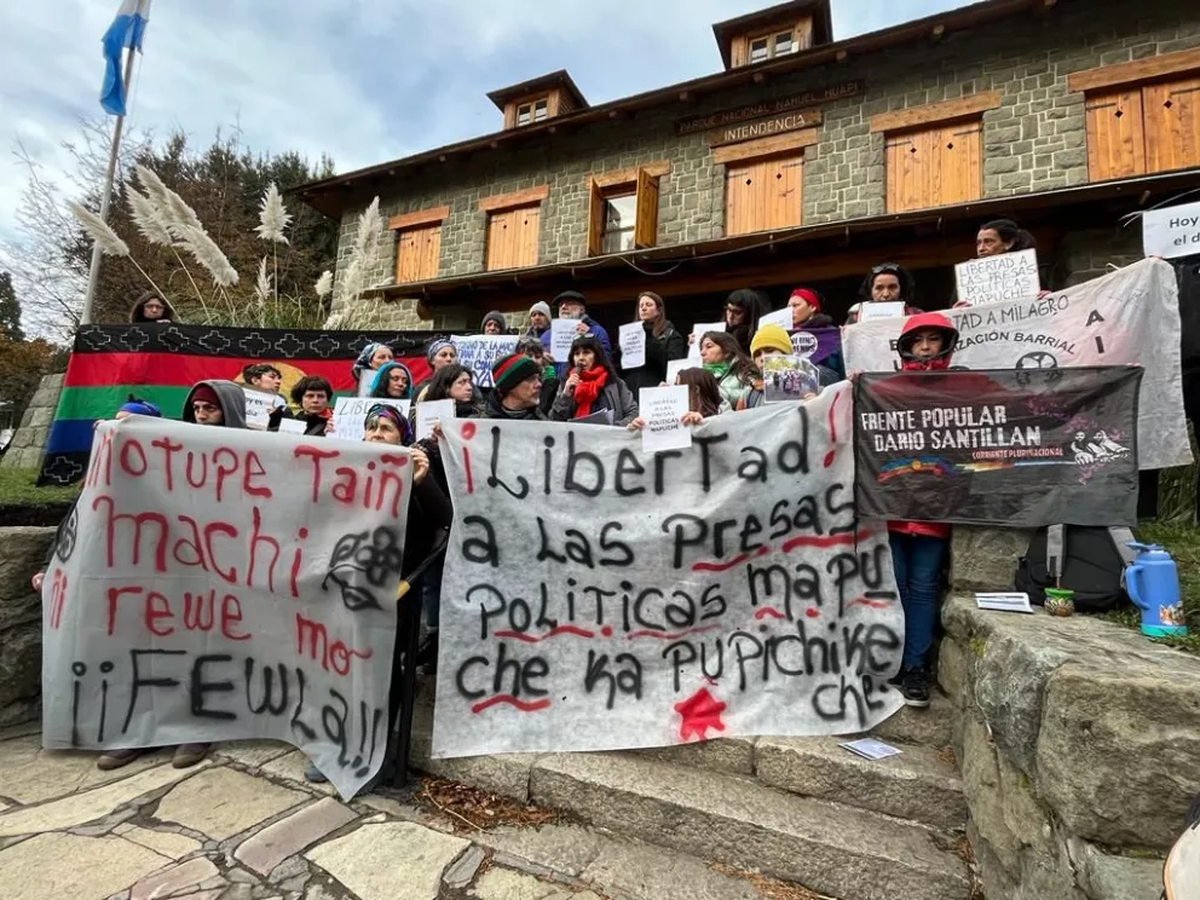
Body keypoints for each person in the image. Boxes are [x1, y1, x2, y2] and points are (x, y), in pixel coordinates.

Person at [306, 404, 446, 785]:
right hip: (345, 588)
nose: (377, 434)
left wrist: (421, 481)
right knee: (341, 667)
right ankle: (338, 744)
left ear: (402, 436)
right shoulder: (346, 469)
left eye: (386, 428)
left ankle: (375, 751)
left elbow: (442, 521)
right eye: (371, 428)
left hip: (393, 592)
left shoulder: (416, 473)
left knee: (382, 671)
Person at [882, 311, 960, 709]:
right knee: (892, 585)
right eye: (918, 341)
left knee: (924, 587)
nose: (926, 348)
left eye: (933, 339)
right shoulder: (886, 387)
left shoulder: (962, 388)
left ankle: (915, 667)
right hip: (891, 507)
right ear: (907, 347)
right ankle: (889, 662)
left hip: (934, 510)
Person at [551, 335, 638, 427]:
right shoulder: (567, 383)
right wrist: (565, 397)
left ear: (597, 356)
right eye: (576, 354)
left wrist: (615, 428)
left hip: (609, 438)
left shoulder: (614, 382)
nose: (581, 358)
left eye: (586, 352)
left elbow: (633, 412)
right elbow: (554, 420)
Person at [739, 323, 830, 409]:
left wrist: (818, 407)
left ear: (786, 355)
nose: (763, 357)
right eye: (757, 354)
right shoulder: (748, 395)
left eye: (769, 350)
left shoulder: (813, 390)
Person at [620, 291, 687, 394]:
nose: (643, 308)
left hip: (657, 390)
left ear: (659, 310)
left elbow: (672, 365)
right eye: (641, 306)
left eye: (649, 305)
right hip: (631, 391)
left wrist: (649, 337)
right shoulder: (630, 335)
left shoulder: (672, 336)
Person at [627, 367, 724, 431]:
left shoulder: (723, 415)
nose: (673, 390)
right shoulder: (673, 419)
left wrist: (704, 425)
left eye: (678, 386)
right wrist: (635, 431)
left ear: (696, 390)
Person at [545, 291, 611, 365]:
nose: (563, 307)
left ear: (582, 309)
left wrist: (590, 338)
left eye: (569, 303)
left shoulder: (596, 331)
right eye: (560, 305)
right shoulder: (548, 334)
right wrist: (541, 356)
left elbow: (607, 360)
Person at [698, 331, 757, 410]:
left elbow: (753, 396)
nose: (702, 352)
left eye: (709, 347)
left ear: (726, 351)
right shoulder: (700, 375)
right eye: (702, 348)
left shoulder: (746, 369)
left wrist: (713, 390)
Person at [845, 263, 920, 324]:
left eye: (892, 287)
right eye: (879, 288)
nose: (886, 294)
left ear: (901, 289)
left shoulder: (916, 314)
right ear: (871, 290)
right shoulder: (857, 317)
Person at [486, 353, 546, 420]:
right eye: (531, 379)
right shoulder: (479, 421)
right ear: (510, 386)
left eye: (538, 379)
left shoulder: (543, 423)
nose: (539, 384)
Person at [517, 336, 558, 414]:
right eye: (529, 356)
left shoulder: (550, 384)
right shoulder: (511, 384)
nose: (533, 360)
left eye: (537, 357)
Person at [723, 288, 771, 354]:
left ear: (749, 314)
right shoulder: (721, 331)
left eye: (737, 312)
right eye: (728, 310)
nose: (730, 316)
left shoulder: (758, 337)